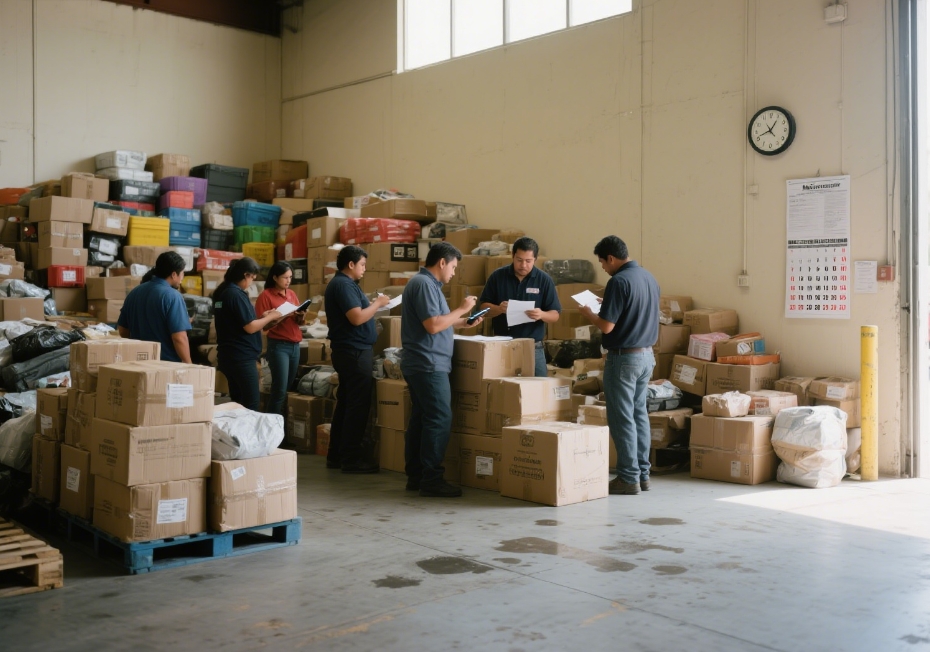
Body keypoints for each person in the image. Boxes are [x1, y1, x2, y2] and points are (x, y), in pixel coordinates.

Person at [578, 236, 660, 496]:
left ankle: (627, 478)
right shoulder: (648, 277)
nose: (603, 267)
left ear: (611, 258)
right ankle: (642, 475)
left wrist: (590, 313)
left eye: (602, 262)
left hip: (624, 358)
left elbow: (606, 326)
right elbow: (631, 311)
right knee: (639, 415)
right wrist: (606, 306)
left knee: (622, 417)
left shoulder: (618, 281)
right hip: (647, 357)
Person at [401, 242, 483, 497]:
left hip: (423, 363)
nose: (454, 273)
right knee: (439, 418)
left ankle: (416, 475)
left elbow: (438, 321)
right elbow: (433, 326)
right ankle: (432, 479)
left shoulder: (427, 285)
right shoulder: (424, 284)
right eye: (454, 267)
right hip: (428, 364)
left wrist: (462, 322)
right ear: (442, 263)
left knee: (423, 418)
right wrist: (462, 308)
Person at [324, 246, 391, 473]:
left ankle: (336, 455)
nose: (364, 269)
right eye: (362, 264)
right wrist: (378, 304)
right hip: (353, 352)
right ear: (351, 264)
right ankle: (351, 459)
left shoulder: (346, 285)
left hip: (351, 350)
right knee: (357, 405)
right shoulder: (343, 284)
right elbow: (356, 318)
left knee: (346, 403)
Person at [479, 236, 561, 376]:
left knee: (538, 388)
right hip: (502, 346)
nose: (523, 265)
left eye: (528, 261)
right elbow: (483, 309)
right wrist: (499, 309)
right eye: (519, 260)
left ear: (535, 259)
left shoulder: (544, 280)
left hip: (533, 347)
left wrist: (541, 314)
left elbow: (555, 315)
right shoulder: (498, 277)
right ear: (512, 256)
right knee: (502, 389)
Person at [213, 257, 282, 411]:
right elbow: (250, 327)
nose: (252, 282)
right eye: (252, 277)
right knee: (250, 403)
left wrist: (265, 319)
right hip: (241, 358)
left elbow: (239, 324)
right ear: (245, 275)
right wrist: (271, 316)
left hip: (230, 356)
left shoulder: (223, 293)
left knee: (238, 402)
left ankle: (236, 435)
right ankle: (246, 435)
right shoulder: (235, 295)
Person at [117, 251, 192, 363]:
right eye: (182, 273)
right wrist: (189, 364)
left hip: (136, 363)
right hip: (165, 365)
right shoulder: (173, 296)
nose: (182, 278)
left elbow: (122, 330)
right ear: (173, 274)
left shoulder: (134, 293)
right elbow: (179, 338)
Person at [255, 261, 307, 419]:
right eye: (285, 277)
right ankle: (272, 430)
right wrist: (283, 315)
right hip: (279, 346)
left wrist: (300, 316)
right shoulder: (266, 296)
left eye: (290, 277)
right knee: (279, 390)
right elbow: (263, 325)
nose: (288, 281)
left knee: (287, 389)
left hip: (295, 345)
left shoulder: (291, 294)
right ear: (275, 277)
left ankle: (282, 426)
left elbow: (299, 323)